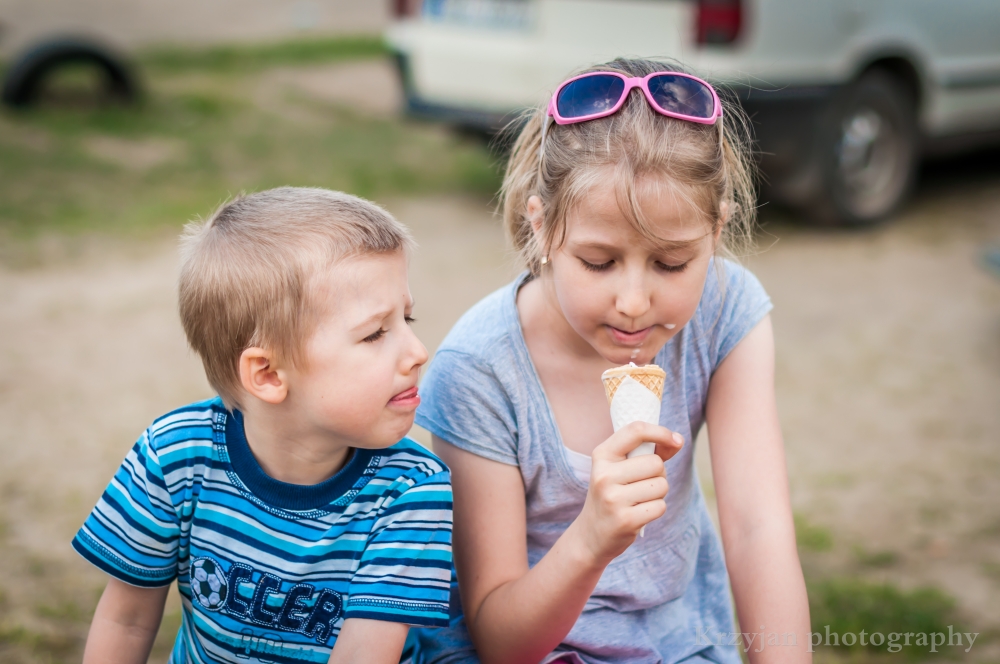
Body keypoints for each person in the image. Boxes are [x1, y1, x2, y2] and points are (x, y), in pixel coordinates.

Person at [412, 59, 811, 663]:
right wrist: (592, 539)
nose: (633, 303)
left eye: (672, 264)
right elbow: (498, 639)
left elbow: (759, 531)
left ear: (716, 230)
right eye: (598, 263)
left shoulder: (725, 312)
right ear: (541, 228)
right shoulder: (479, 369)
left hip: (679, 643)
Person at [73, 187, 454, 664]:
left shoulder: (412, 492)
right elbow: (125, 620)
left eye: (408, 317)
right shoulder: (175, 457)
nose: (418, 351)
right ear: (269, 374)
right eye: (375, 332)